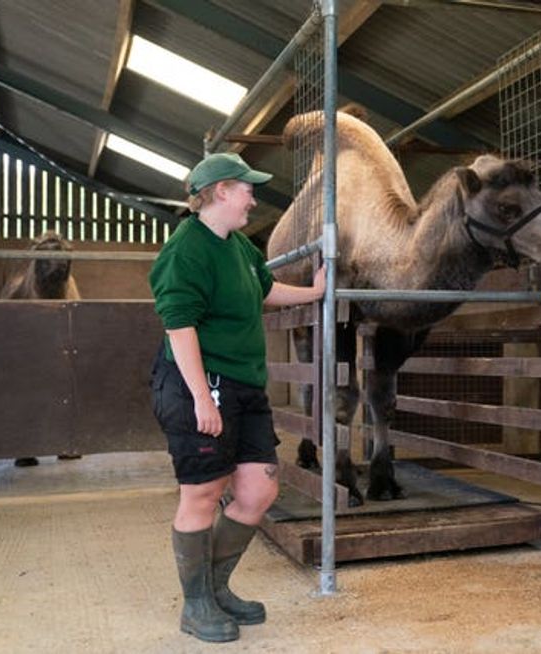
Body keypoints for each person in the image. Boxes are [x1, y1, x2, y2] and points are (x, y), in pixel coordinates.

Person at [149, 152, 325, 642]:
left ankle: (217, 587)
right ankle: (197, 604)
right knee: (203, 492)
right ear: (222, 190)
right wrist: (202, 398)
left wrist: (314, 293)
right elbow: (178, 325)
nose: (254, 196)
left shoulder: (241, 247)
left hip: (245, 385)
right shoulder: (187, 250)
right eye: (247, 187)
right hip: (200, 385)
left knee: (258, 489)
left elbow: (264, 290)